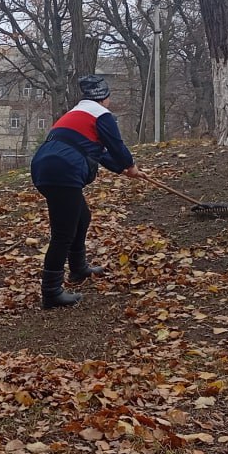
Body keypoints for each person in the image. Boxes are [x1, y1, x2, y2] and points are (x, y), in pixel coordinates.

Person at [30, 75, 147, 309]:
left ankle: (78, 269)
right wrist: (131, 165)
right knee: (63, 233)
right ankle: (51, 292)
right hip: (63, 171)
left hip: (45, 167)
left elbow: (97, 151)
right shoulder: (101, 114)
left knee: (82, 217)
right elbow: (116, 145)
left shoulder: (76, 113)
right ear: (106, 98)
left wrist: (122, 170)